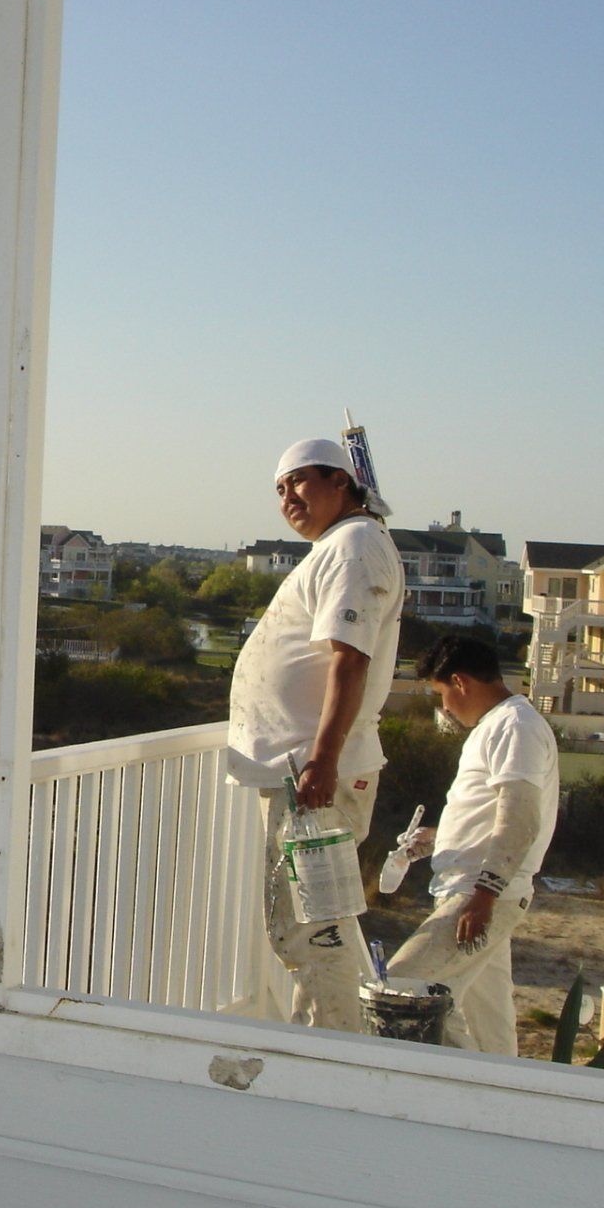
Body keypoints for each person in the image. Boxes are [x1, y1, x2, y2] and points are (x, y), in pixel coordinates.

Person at [227, 437, 402, 1031]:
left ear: (340, 481)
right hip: (304, 771)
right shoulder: (341, 545)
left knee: (313, 928)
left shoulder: (354, 545)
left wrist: (322, 760)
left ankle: (332, 1058)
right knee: (318, 921)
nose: (287, 498)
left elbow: (350, 658)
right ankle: (330, 1044)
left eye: (298, 482)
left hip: (312, 776)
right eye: (279, 489)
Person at [386, 635, 559, 1056]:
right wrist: (435, 841)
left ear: (460, 682)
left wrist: (483, 896)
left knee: (403, 989)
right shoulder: (500, 725)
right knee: (488, 1027)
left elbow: (520, 817)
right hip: (476, 891)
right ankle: (500, 1099)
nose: (444, 707)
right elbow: (491, 815)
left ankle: (453, 1089)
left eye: (442, 693)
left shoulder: (515, 726)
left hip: (478, 896)